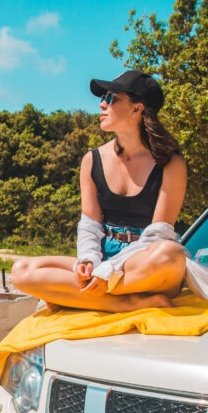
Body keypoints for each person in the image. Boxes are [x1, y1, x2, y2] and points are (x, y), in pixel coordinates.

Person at [10, 70, 189, 312]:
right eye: (103, 97)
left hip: (143, 260)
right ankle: (126, 304)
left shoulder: (170, 162)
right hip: (104, 255)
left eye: (112, 98)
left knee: (170, 255)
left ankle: (80, 297)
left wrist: (111, 271)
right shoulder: (92, 160)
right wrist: (88, 260)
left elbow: (158, 234)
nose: (102, 104)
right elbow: (90, 225)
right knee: (22, 271)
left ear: (138, 108)